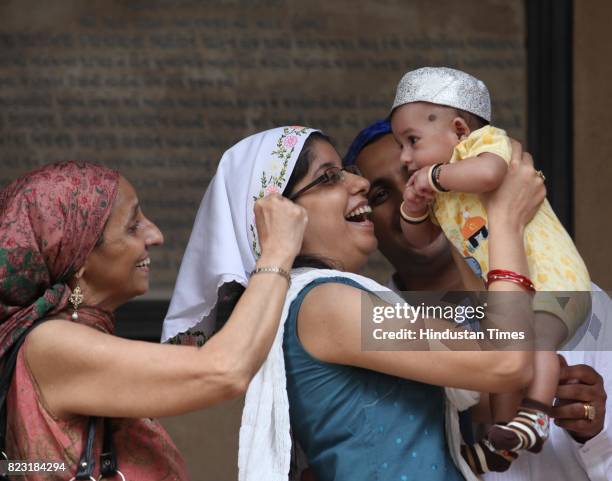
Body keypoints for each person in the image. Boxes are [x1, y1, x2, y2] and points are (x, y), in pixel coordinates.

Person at [162, 125, 546, 481]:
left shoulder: (318, 300)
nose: (359, 182)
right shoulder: (324, 303)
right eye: (329, 177)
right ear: (281, 215)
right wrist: (504, 220)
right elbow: (505, 360)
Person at [0, 159, 307, 480]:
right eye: (132, 226)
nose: (156, 235)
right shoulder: (51, 345)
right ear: (79, 260)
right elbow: (224, 371)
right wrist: (278, 250)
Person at [345, 118, 611, 480]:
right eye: (379, 195)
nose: (412, 192)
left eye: (426, 173)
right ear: (366, 220)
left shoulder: (573, 302)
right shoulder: (365, 328)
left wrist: (592, 433)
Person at [389, 66, 591, 462]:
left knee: (535, 342)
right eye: (402, 146)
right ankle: (503, 438)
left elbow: (491, 172)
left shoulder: (483, 146)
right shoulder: (444, 194)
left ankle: (534, 415)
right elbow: (418, 240)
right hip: (512, 297)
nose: (406, 157)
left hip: (555, 280)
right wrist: (413, 210)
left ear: (461, 130)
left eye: (412, 142)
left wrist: (437, 174)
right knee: (504, 362)